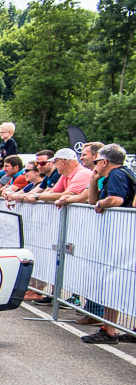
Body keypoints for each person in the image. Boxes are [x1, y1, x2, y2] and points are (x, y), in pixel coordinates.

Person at [80, 144, 136, 344]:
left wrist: (100, 204)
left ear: (104, 162)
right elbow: (91, 199)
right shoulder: (120, 174)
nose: (94, 165)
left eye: (96, 162)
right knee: (124, 282)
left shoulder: (116, 175)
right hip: (122, 235)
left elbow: (116, 200)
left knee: (115, 282)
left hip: (122, 237)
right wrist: (94, 180)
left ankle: (109, 329)